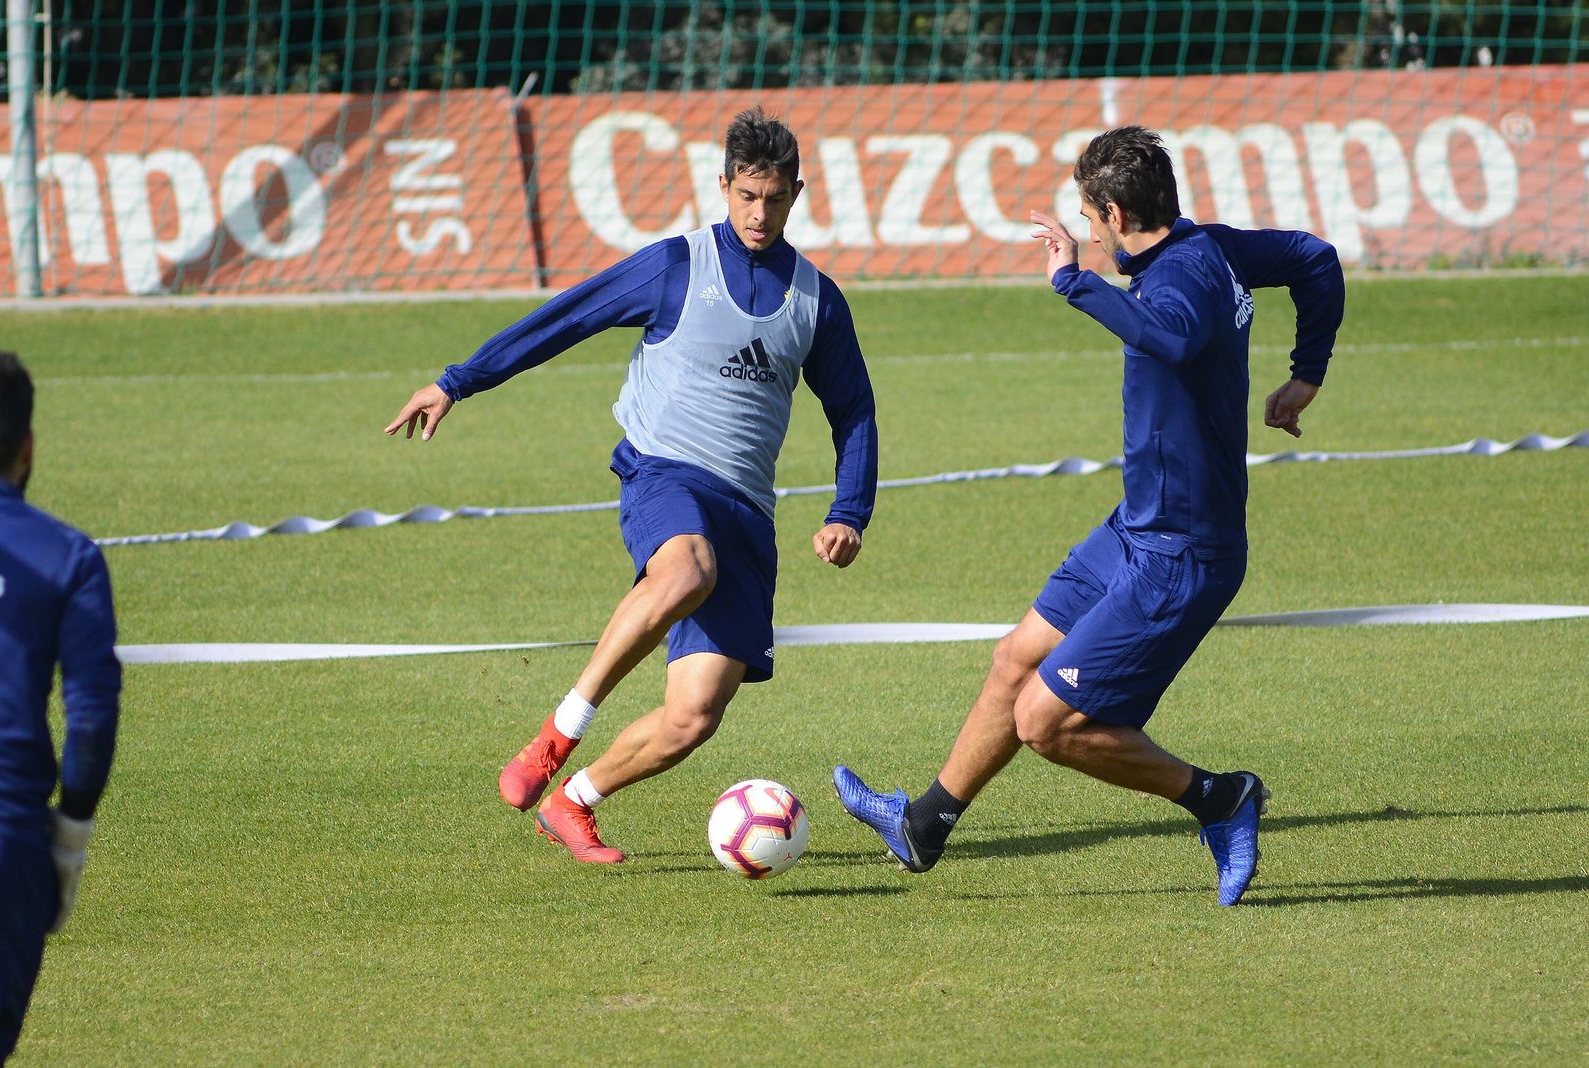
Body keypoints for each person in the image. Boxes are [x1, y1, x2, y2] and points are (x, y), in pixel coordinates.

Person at [833, 126, 1344, 906]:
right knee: (1014, 659)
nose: (1084, 230)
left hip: (1183, 554)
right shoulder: (1219, 248)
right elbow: (1315, 258)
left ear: (1112, 211)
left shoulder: (1182, 282)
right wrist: (1307, 373)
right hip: (1135, 528)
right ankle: (923, 826)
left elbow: (1170, 337)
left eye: (1086, 215)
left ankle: (1222, 799)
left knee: (1046, 721)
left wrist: (1076, 284)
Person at [386, 107, 877, 864]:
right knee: (687, 568)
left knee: (693, 717)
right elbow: (567, 318)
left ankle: (574, 802)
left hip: (747, 511)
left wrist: (850, 510)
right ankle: (557, 734)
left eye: (774, 198)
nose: (759, 212)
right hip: (665, 474)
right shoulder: (677, 265)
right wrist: (459, 381)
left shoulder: (816, 299)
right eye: (746, 195)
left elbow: (854, 410)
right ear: (723, 186)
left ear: (797, 193)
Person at [0, 351, 122, 1063]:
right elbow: (92, 714)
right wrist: (69, 840)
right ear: (28, 447)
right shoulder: (66, 555)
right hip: (4, 841)